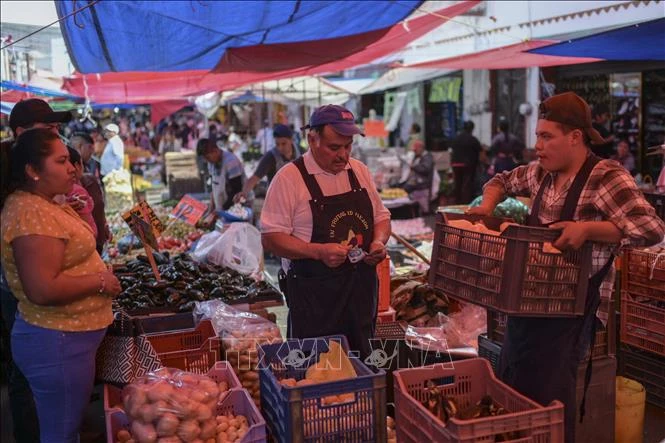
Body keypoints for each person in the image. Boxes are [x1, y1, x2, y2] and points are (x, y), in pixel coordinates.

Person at [468, 92, 665, 442]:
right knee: (514, 388)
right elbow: (500, 180)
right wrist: (486, 207)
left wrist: (589, 230)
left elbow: (652, 228)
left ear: (575, 137)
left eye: (546, 137)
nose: (538, 146)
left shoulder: (606, 177)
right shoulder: (540, 173)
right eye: (537, 136)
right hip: (526, 304)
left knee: (551, 403)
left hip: (570, 313)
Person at [1, 128, 122, 442]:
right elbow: (42, 288)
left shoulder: (40, 203)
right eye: (61, 161)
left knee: (65, 426)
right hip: (57, 342)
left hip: (65, 339)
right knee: (60, 433)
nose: (72, 166)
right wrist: (100, 280)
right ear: (33, 171)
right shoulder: (29, 213)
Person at [261, 105, 391, 359]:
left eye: (348, 146)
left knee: (363, 363)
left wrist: (377, 242)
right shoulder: (289, 179)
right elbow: (271, 238)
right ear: (312, 139)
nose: (343, 155)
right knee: (316, 371)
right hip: (314, 300)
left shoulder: (359, 171)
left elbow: (382, 217)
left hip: (361, 294)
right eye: (334, 148)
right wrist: (317, 251)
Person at [0, 98, 72, 443]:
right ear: (20, 133)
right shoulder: (10, 178)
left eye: (56, 126)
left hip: (37, 293)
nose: (55, 131)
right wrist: (100, 280)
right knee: (26, 374)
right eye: (47, 126)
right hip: (16, 289)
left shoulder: (36, 176)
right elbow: (41, 288)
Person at [234, 124, 301, 203]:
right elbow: (254, 178)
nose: (280, 148)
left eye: (284, 144)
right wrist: (244, 193)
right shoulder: (270, 157)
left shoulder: (301, 153)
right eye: (277, 144)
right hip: (277, 202)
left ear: (291, 140)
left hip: (297, 199)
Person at [197, 138, 245, 211]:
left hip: (238, 207)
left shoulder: (230, 161)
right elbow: (214, 186)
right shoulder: (211, 163)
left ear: (215, 151)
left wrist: (222, 210)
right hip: (222, 207)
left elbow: (236, 191)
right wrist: (212, 206)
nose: (207, 161)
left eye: (207, 157)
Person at [451, 120, 482, 204]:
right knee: (467, 185)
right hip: (467, 165)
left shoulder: (456, 138)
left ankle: (457, 202)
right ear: (471, 129)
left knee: (458, 183)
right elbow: (480, 151)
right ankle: (465, 203)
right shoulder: (472, 139)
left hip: (455, 164)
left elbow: (452, 150)